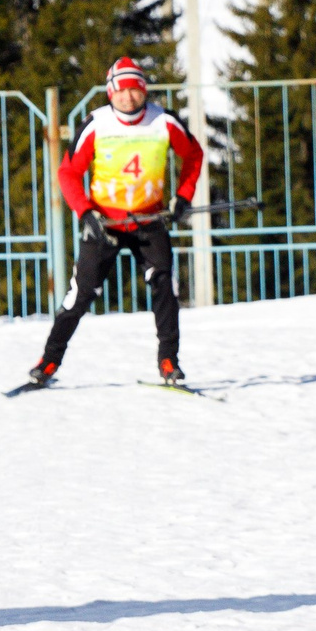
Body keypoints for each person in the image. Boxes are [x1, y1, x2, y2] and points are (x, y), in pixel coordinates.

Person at [27, 55, 204, 388]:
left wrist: (183, 196)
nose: (128, 97)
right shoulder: (96, 124)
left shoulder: (164, 121)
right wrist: (85, 212)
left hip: (149, 219)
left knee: (165, 286)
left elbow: (193, 155)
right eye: (120, 90)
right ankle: (49, 361)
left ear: (144, 89)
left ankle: (169, 361)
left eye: (134, 89)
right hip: (104, 223)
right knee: (81, 294)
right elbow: (68, 172)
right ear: (110, 92)